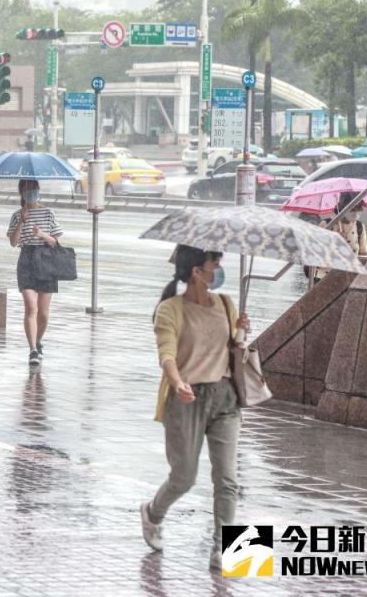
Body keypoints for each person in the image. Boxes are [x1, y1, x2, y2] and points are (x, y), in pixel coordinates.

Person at [140, 244, 250, 570]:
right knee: (185, 476)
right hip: (186, 399)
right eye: (214, 262)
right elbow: (167, 354)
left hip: (226, 398)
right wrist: (178, 383)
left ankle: (224, 549)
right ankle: (153, 512)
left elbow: (235, 350)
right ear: (196, 272)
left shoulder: (227, 304)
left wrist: (242, 332)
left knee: (228, 478)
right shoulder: (170, 310)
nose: (218, 268)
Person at [7, 179, 63, 366]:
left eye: (34, 189)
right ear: (21, 193)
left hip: (46, 260)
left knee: (44, 313)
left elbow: (55, 242)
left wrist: (42, 234)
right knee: (31, 307)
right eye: (27, 189)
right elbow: (14, 242)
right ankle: (32, 350)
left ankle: (38, 341)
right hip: (27, 259)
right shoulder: (17, 215)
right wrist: (21, 222)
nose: (31, 192)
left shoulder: (48, 213)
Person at [314, 192, 367, 282]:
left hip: (347, 279)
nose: (356, 213)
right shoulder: (327, 224)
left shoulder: (359, 226)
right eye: (352, 209)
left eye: (359, 209)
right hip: (324, 279)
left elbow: (363, 254)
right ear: (343, 209)